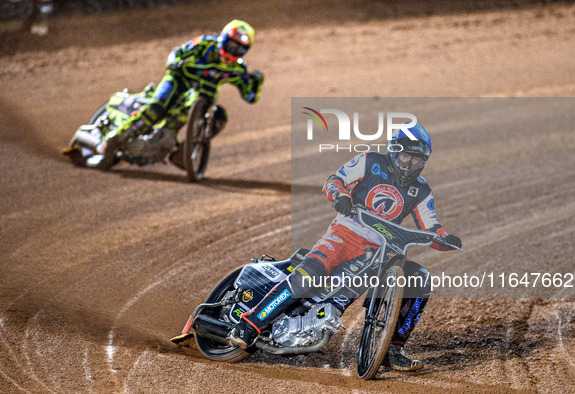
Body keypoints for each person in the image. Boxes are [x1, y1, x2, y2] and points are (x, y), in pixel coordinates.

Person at [228, 123, 462, 372]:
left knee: (420, 280)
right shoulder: (369, 160)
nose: (408, 164)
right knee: (307, 277)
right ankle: (249, 324)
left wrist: (445, 239)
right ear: (393, 151)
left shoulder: (422, 190)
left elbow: (431, 225)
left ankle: (393, 349)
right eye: (405, 156)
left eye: (416, 160)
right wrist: (340, 195)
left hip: (384, 250)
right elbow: (335, 180)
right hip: (344, 234)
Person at [98, 19, 264, 169]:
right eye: (230, 44)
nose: (233, 51)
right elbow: (177, 53)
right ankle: (114, 139)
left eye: (239, 49)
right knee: (158, 108)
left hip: (203, 96)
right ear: (223, 39)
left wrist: (256, 82)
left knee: (220, 117)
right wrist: (174, 63)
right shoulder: (206, 43)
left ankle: (184, 155)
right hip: (179, 80)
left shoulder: (238, 69)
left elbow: (249, 97)